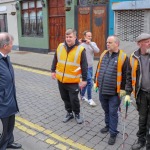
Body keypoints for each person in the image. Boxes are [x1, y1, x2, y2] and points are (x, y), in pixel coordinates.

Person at [94, 35, 128, 145]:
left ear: (116, 44)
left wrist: (124, 90)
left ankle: (113, 133)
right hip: (102, 90)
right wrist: (96, 81)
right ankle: (108, 126)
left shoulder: (123, 57)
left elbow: (127, 76)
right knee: (106, 110)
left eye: (110, 42)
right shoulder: (104, 54)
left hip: (114, 93)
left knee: (113, 113)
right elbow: (98, 68)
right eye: (107, 42)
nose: (107, 44)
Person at [51, 29, 87, 124]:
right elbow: (55, 59)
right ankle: (69, 113)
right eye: (67, 37)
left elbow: (84, 65)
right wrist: (52, 70)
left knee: (74, 99)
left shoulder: (80, 49)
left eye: (70, 37)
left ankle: (77, 113)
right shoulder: (60, 46)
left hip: (73, 80)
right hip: (61, 80)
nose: (68, 39)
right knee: (65, 98)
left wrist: (84, 79)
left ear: (75, 37)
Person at [124, 33, 150, 150]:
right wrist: (128, 94)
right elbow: (129, 77)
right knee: (142, 118)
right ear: (139, 44)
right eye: (146, 41)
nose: (149, 43)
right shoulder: (133, 57)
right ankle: (141, 140)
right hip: (141, 94)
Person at [0, 32, 22, 149]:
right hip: (2, 101)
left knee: (10, 124)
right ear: (5, 46)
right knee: (4, 127)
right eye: (11, 43)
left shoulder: (5, 58)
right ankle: (2, 145)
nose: (12, 45)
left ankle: (9, 142)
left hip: (10, 98)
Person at [79, 31, 100, 106]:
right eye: (88, 36)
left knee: (87, 82)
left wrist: (90, 43)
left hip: (91, 66)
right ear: (84, 37)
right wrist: (77, 43)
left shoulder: (93, 44)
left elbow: (97, 51)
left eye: (91, 36)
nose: (90, 38)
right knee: (90, 83)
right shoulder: (81, 45)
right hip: (84, 67)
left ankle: (81, 96)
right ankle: (90, 99)